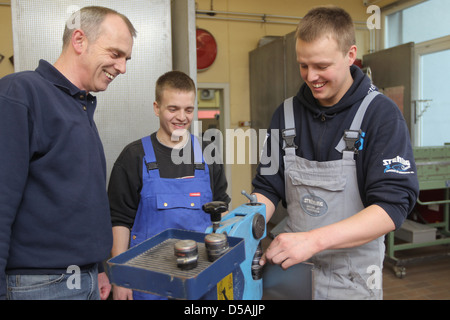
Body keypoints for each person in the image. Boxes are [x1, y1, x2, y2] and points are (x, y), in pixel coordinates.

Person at [252, 6, 419, 300]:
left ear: (350, 55)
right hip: (291, 274)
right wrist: (242, 224)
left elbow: (392, 208)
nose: (311, 76)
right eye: (303, 65)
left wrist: (313, 241)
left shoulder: (381, 115)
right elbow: (268, 186)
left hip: (352, 280)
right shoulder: (286, 114)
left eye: (321, 66)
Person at [0, 6, 136, 300]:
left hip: (84, 278)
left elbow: (81, 202)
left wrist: (97, 267)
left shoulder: (80, 104)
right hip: (40, 284)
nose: (122, 68)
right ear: (79, 40)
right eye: (115, 54)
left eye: (126, 59)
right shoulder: (20, 94)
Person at [108, 71, 230, 300]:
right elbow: (119, 220)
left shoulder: (207, 154)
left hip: (201, 280)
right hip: (147, 281)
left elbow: (221, 212)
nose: (181, 117)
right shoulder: (134, 156)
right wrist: (119, 277)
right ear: (157, 107)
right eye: (173, 109)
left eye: (188, 109)